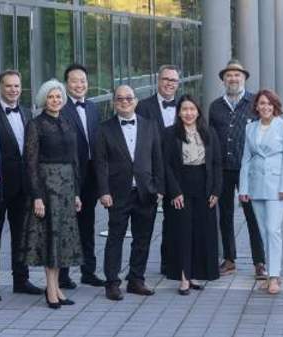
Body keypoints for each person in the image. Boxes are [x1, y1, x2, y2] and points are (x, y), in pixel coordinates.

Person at [95, 85, 164, 301]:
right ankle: (112, 283)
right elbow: (100, 163)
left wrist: (159, 188)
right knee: (115, 238)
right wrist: (103, 191)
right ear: (114, 103)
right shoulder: (104, 128)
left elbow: (157, 159)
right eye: (119, 99)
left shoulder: (150, 126)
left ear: (135, 101)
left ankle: (136, 280)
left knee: (142, 239)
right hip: (117, 193)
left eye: (128, 98)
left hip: (146, 192)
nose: (124, 102)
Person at [20, 79, 82, 309]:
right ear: (44, 100)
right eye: (51, 97)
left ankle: (56, 288)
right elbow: (30, 163)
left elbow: (74, 160)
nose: (55, 100)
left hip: (66, 188)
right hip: (47, 188)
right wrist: (37, 196)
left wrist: (76, 193)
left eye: (58, 97)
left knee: (62, 241)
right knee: (50, 240)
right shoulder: (35, 125)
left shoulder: (67, 122)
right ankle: (50, 290)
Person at [0, 70, 43, 301]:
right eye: (8, 86)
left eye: (17, 86)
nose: (13, 90)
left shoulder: (28, 113)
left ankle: (21, 280)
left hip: (23, 187)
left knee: (21, 236)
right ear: (0, 87)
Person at [209, 59, 266, 279]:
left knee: (253, 215)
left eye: (237, 75)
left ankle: (259, 262)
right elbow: (211, 140)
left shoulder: (255, 103)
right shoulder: (215, 106)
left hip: (248, 170)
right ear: (224, 79)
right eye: (229, 76)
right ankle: (230, 259)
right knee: (225, 215)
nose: (233, 79)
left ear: (244, 78)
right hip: (223, 169)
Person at [239, 89, 283, 294]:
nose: (265, 107)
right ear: (256, 106)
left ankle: (274, 276)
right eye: (261, 103)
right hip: (256, 186)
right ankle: (270, 273)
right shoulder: (250, 128)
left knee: (273, 230)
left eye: (269, 104)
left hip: (276, 187)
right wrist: (243, 188)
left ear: (275, 106)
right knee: (263, 232)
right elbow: (246, 159)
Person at [163, 95, 222, 295]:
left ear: (198, 112)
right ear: (178, 112)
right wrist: (174, 192)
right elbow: (166, 166)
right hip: (181, 187)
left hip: (204, 187)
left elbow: (216, 163)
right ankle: (183, 277)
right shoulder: (170, 134)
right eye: (184, 109)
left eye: (192, 109)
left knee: (201, 232)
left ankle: (195, 273)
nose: (188, 113)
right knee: (182, 232)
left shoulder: (209, 133)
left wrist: (215, 190)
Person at [59, 64, 104, 289]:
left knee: (87, 225)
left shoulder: (94, 108)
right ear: (66, 83)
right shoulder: (60, 107)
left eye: (83, 81)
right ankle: (63, 275)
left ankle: (88, 271)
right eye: (75, 81)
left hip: (91, 176)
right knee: (67, 226)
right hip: (68, 177)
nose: (80, 85)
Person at [136, 64, 180, 275]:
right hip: (151, 174)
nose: (169, 83)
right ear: (158, 80)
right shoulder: (143, 107)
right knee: (146, 224)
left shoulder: (184, 105)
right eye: (166, 79)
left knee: (174, 222)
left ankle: (170, 264)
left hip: (179, 174)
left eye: (173, 80)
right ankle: (137, 271)